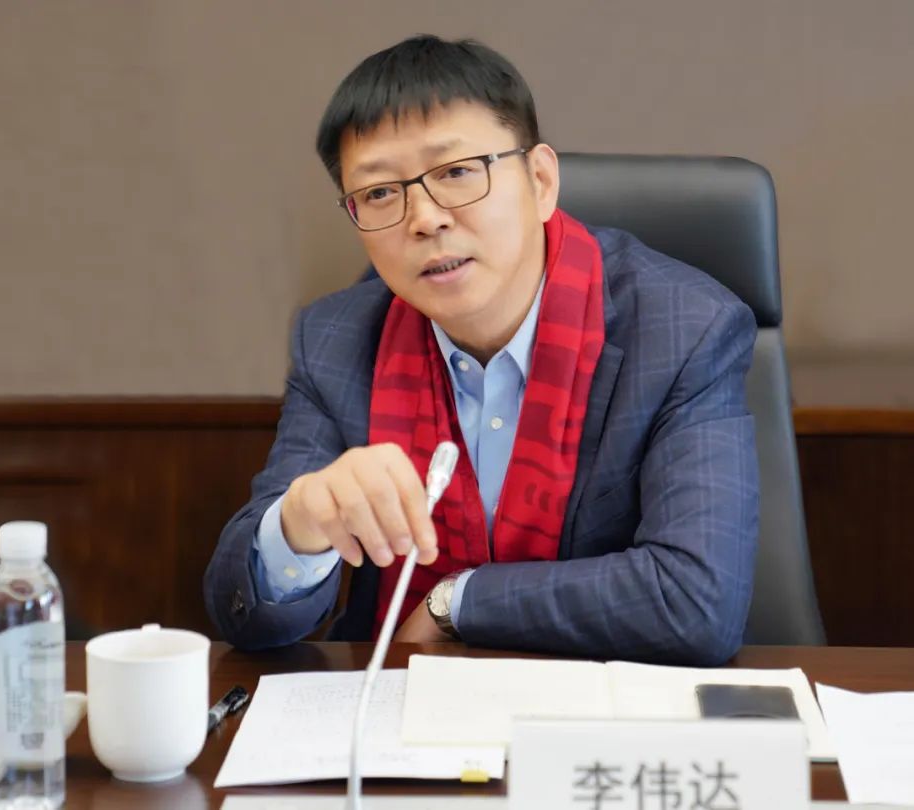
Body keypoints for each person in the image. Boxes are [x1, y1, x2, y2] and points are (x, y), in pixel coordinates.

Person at [204, 34, 758, 665]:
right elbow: (244, 616)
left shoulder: (684, 329)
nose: (425, 218)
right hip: (398, 707)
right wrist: (298, 525)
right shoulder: (336, 340)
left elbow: (696, 601)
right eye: (380, 193)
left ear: (540, 181)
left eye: (457, 172)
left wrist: (457, 602)